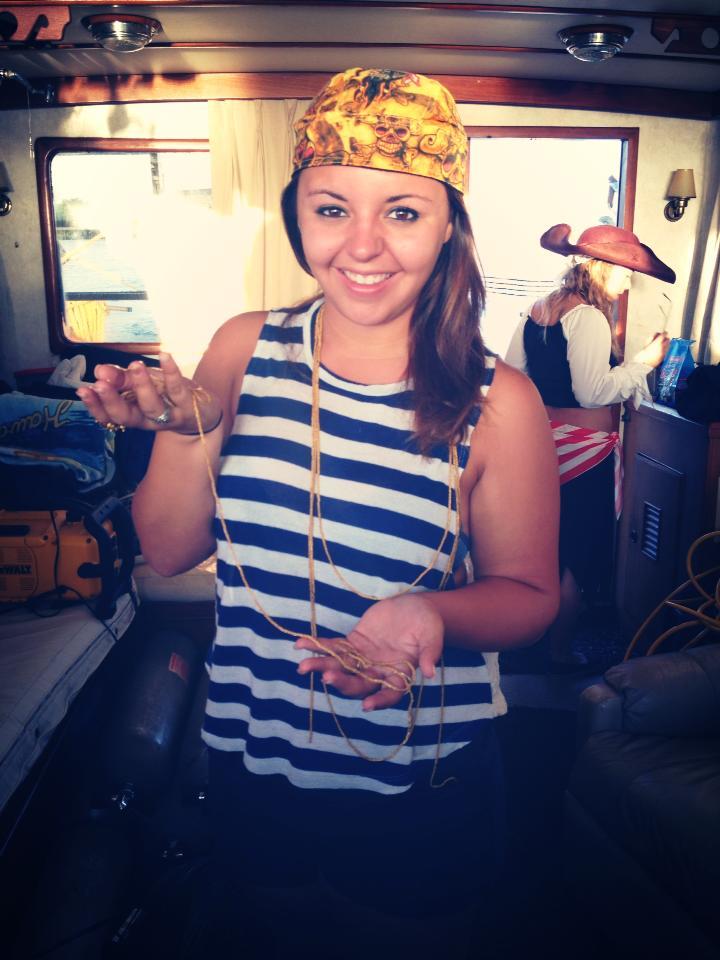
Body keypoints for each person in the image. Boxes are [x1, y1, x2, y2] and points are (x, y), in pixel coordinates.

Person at [77, 68, 560, 959]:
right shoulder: (242, 345)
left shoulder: (501, 401)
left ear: (450, 222)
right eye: (332, 208)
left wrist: (430, 612)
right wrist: (185, 431)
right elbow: (169, 548)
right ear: (299, 213)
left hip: (424, 781)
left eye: (404, 212)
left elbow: (531, 596)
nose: (363, 245)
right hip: (253, 757)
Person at [505, 222, 675, 668]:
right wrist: (642, 364)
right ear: (599, 269)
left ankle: (533, 644)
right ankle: (559, 654)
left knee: (548, 548)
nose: (627, 282)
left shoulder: (536, 310)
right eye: (623, 272)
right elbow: (592, 392)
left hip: (544, 449)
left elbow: (514, 377)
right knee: (575, 553)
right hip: (584, 457)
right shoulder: (589, 317)